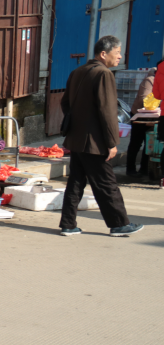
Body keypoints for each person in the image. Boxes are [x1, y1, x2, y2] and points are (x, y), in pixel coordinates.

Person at [59, 36, 144, 237]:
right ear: (103, 54)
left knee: (76, 182)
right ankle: (119, 224)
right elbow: (107, 112)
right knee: (106, 183)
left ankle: (68, 224)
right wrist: (112, 142)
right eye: (117, 52)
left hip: (76, 138)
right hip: (94, 142)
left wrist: (79, 123)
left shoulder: (77, 72)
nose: (120, 56)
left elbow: (65, 104)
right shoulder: (103, 74)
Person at [126, 64, 157, 178]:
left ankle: (144, 169)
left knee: (149, 143)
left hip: (154, 116)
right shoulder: (150, 80)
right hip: (139, 115)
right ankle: (130, 169)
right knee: (136, 142)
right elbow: (145, 99)